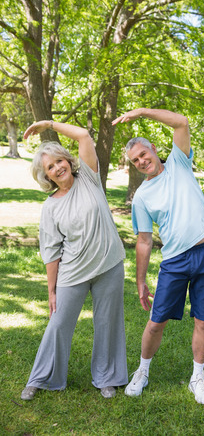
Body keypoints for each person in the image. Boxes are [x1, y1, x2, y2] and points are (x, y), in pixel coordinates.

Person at [112, 108, 204, 405]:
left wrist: (141, 112)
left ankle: (197, 378)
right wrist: (140, 282)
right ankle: (142, 370)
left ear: (154, 149)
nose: (141, 161)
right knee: (156, 322)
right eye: (135, 161)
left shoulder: (178, 161)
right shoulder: (142, 197)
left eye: (143, 154)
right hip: (174, 262)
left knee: (203, 320)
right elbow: (144, 240)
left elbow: (181, 122)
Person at [20, 120, 128, 401]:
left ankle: (107, 377)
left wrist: (47, 124)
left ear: (68, 160)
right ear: (47, 177)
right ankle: (41, 378)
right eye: (50, 167)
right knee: (58, 323)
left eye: (59, 160)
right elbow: (51, 250)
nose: (58, 167)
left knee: (108, 322)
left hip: (108, 265)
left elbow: (83, 135)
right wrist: (51, 290)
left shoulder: (90, 177)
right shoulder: (51, 206)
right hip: (73, 271)